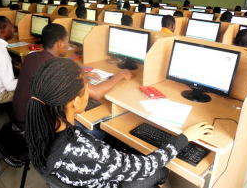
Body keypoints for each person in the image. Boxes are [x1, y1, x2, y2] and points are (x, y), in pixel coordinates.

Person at [25, 57, 213, 188]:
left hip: (82, 176)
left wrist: (118, 154)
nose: (89, 90)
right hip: (108, 184)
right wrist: (185, 137)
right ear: (74, 101)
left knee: (117, 141)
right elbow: (146, 166)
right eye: (86, 88)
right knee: (161, 171)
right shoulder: (86, 152)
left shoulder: (40, 123)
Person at [12, 24, 132, 133]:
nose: (68, 45)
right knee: (97, 130)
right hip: (34, 127)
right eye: (67, 41)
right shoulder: (57, 67)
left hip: (19, 118)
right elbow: (96, 93)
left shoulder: (31, 56)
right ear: (60, 44)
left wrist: (80, 75)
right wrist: (121, 75)